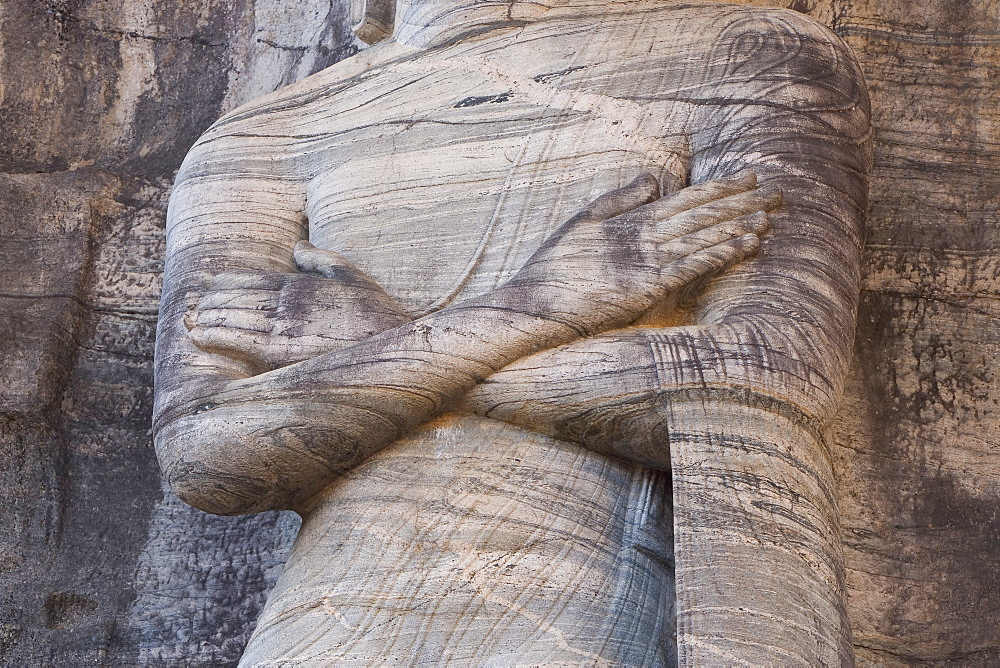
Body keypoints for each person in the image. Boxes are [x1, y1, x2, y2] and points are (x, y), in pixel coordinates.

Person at [153, 0, 869, 663]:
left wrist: (379, 345)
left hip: (601, 603)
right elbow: (205, 452)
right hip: (325, 620)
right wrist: (541, 306)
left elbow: (772, 375)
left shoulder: (751, 54)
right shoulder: (264, 134)